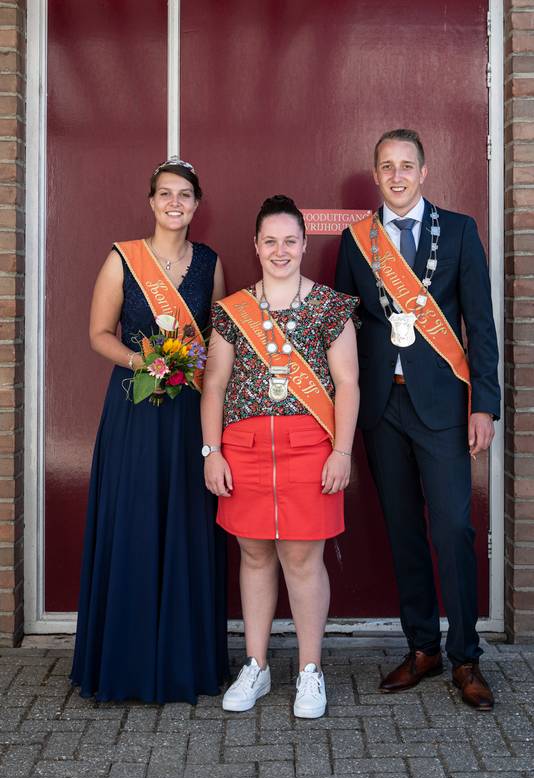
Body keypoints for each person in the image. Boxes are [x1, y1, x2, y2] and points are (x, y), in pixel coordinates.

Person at [335, 129, 500, 710]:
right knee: (403, 529)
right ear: (375, 175)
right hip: (383, 407)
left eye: (407, 166)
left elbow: (480, 321)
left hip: (442, 408)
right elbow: (346, 332)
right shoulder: (357, 242)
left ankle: (466, 657)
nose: (398, 176)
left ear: (424, 172)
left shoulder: (458, 231)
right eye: (387, 167)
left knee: (453, 529)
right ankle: (423, 647)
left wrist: (485, 402)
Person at [70, 157, 229, 703]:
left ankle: (185, 662)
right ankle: (128, 662)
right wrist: (147, 364)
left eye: (184, 194)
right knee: (136, 522)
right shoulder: (123, 259)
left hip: (188, 416)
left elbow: (216, 343)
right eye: (165, 194)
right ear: (151, 202)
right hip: (135, 411)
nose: (175, 203)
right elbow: (98, 334)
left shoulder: (210, 262)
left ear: (196, 204)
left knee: (186, 524)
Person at [201, 195, 359, 719]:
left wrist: (342, 450)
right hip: (244, 452)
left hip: (310, 452)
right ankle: (258, 665)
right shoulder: (231, 312)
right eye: (270, 241)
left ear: (305, 244)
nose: (280, 250)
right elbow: (215, 386)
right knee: (253, 554)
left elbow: (348, 384)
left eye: (290, 240)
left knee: (301, 558)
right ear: (256, 245)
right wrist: (211, 451)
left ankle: (310, 672)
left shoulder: (331, 306)